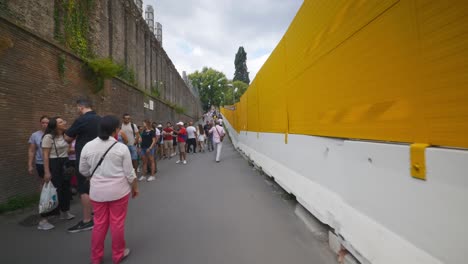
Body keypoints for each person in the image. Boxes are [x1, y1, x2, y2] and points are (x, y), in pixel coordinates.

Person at [79, 115, 139, 264]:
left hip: (97, 192)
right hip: (119, 191)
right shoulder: (121, 148)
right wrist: (135, 188)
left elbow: (83, 170)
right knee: (117, 223)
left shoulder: (88, 146)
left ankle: (96, 257)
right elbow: (130, 173)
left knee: (99, 224)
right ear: (116, 130)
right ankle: (118, 254)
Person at [64, 98, 101, 233]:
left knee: (84, 188)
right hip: (99, 158)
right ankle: (98, 215)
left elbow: (67, 138)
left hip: (85, 158)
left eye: (77, 108)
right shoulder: (100, 119)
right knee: (95, 185)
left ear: (80, 107)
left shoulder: (82, 120)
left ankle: (87, 220)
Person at [40, 117, 75, 230]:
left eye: (63, 121)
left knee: (65, 188)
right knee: (54, 190)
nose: (64, 122)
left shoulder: (65, 135)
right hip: (54, 163)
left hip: (65, 162)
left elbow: (67, 150)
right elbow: (45, 155)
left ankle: (65, 212)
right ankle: (43, 220)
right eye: (60, 122)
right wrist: (47, 172)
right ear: (54, 125)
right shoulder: (48, 137)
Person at [28, 115, 49, 185]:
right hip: (40, 162)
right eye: (43, 123)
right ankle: (43, 196)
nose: (45, 124)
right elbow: (31, 150)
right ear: (40, 123)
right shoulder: (35, 135)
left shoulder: (53, 134)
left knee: (53, 182)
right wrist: (30, 165)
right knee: (42, 182)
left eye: (47, 123)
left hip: (52, 161)